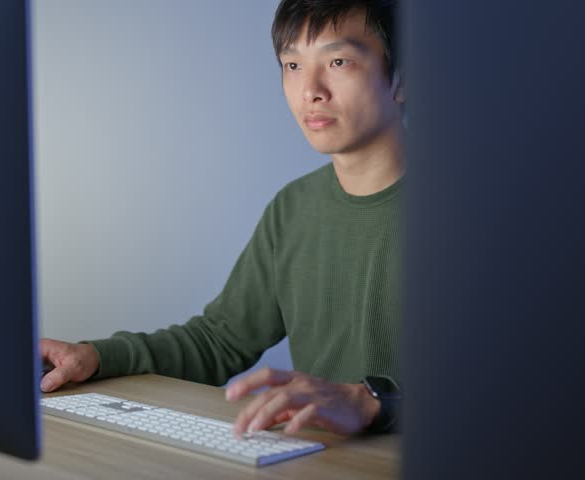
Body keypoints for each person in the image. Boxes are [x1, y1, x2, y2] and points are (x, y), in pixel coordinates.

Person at [39, 0, 405, 438]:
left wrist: (374, 402)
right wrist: (97, 357)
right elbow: (220, 340)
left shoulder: (482, 213)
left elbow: (505, 386)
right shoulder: (294, 208)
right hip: (319, 461)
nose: (310, 90)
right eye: (291, 64)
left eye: (338, 61)